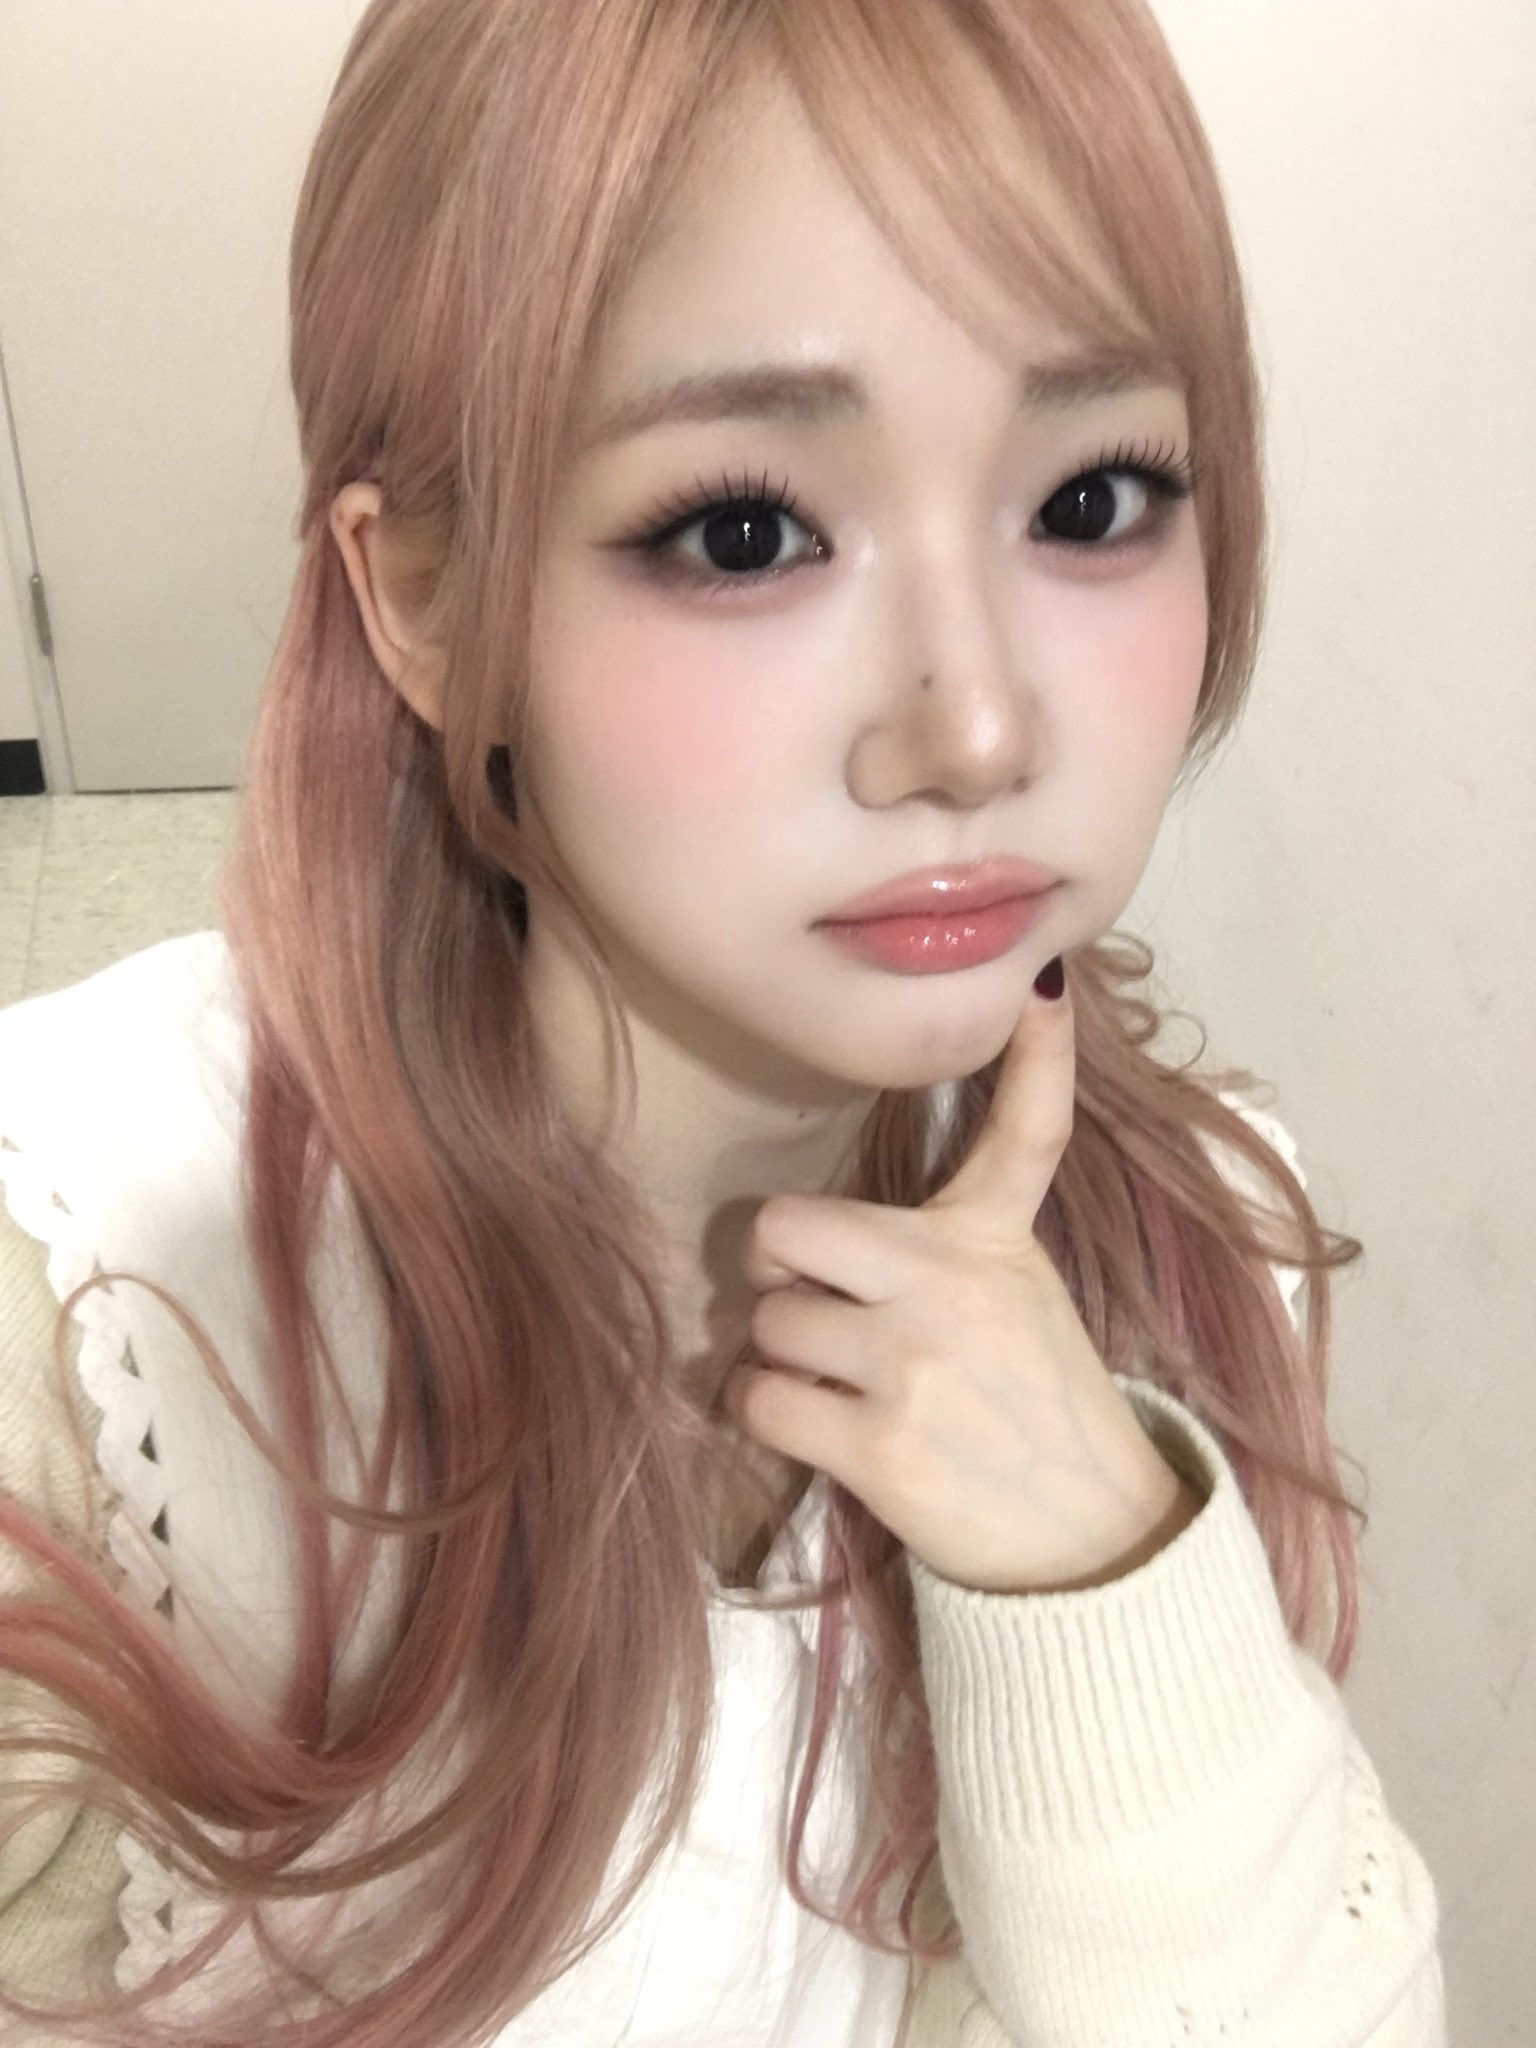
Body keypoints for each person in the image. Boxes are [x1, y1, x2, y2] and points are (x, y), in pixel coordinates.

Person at [0, 0, 1446, 2041]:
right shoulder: (93, 1341)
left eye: (1094, 499)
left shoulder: (1194, 1246)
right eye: (746, 530)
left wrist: (1108, 1588)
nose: (978, 726)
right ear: (423, 603)